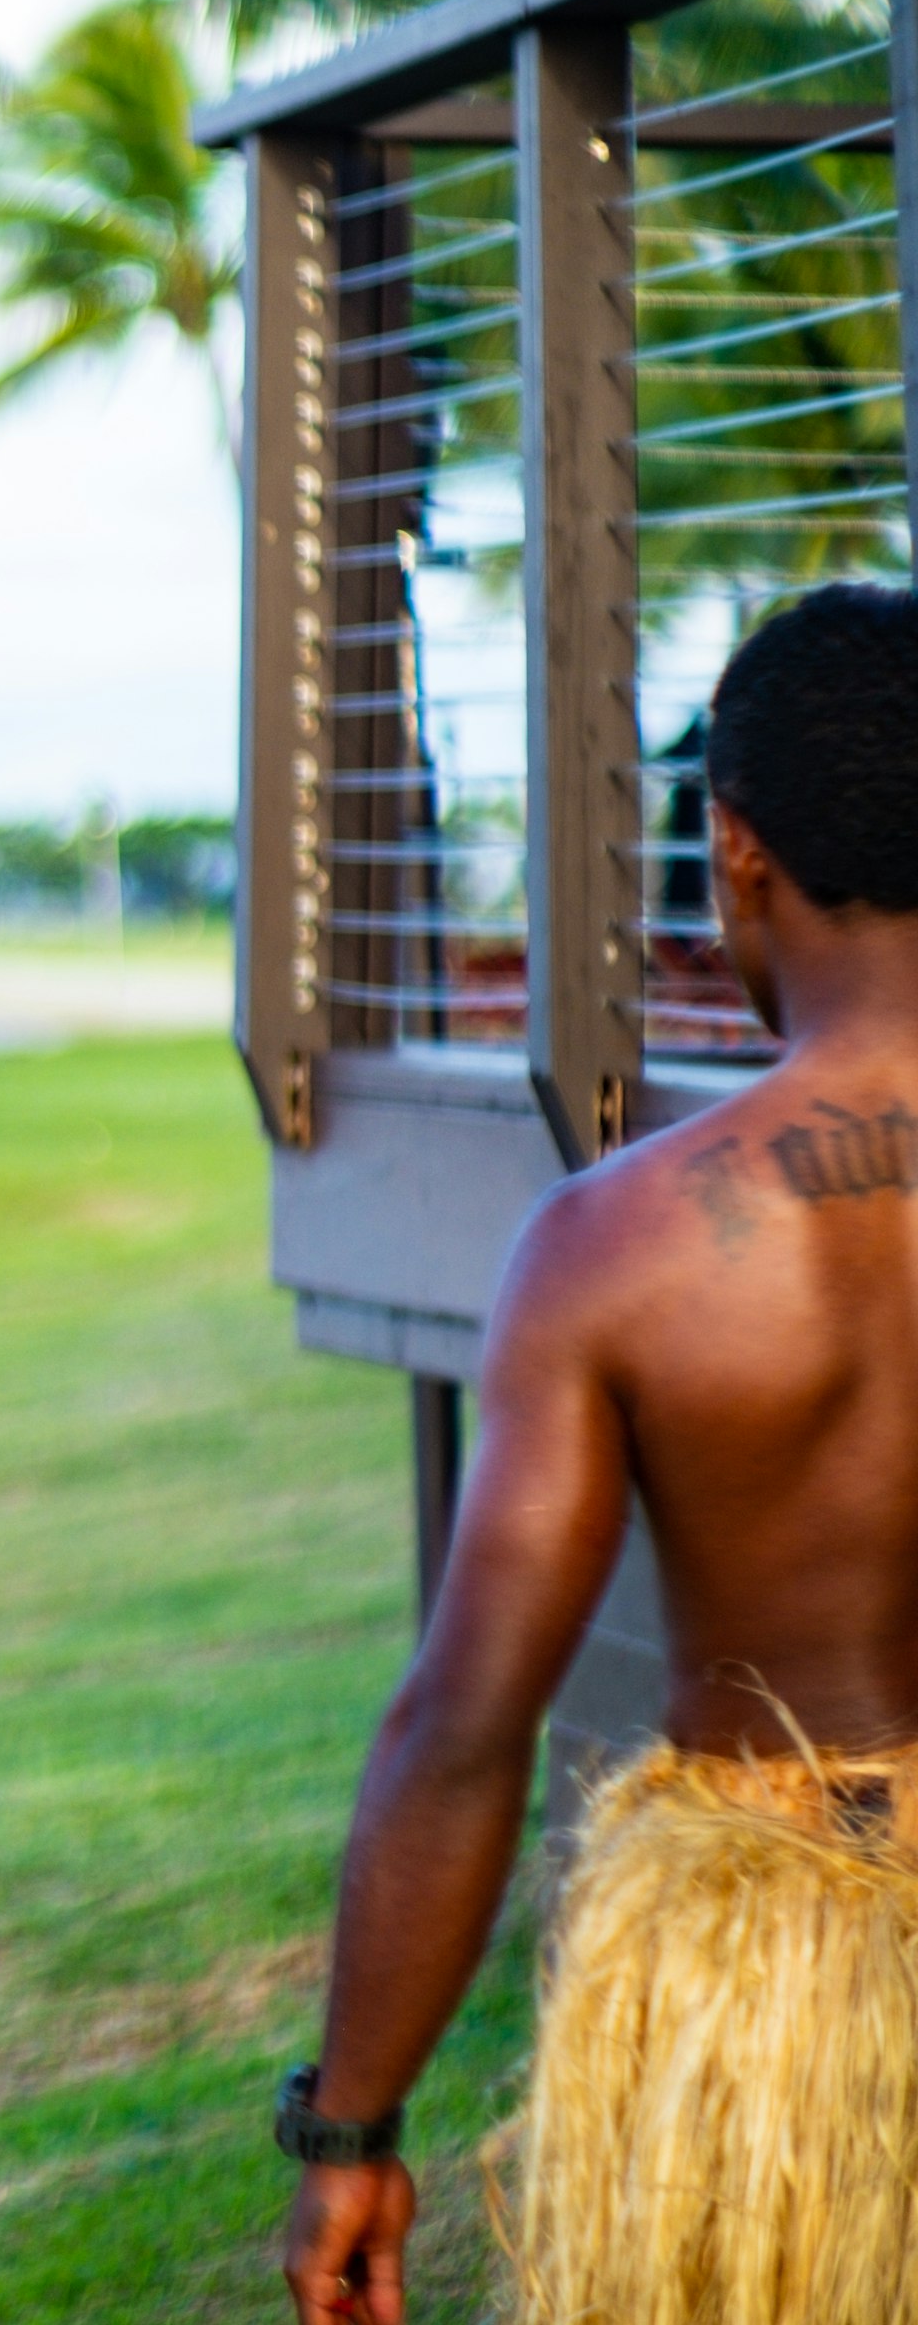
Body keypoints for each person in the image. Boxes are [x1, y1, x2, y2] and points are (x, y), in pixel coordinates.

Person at [281, 583, 918, 2325]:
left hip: (757, 2000)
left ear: (737, 853)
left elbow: (468, 1724)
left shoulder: (620, 1249)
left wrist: (346, 2123)